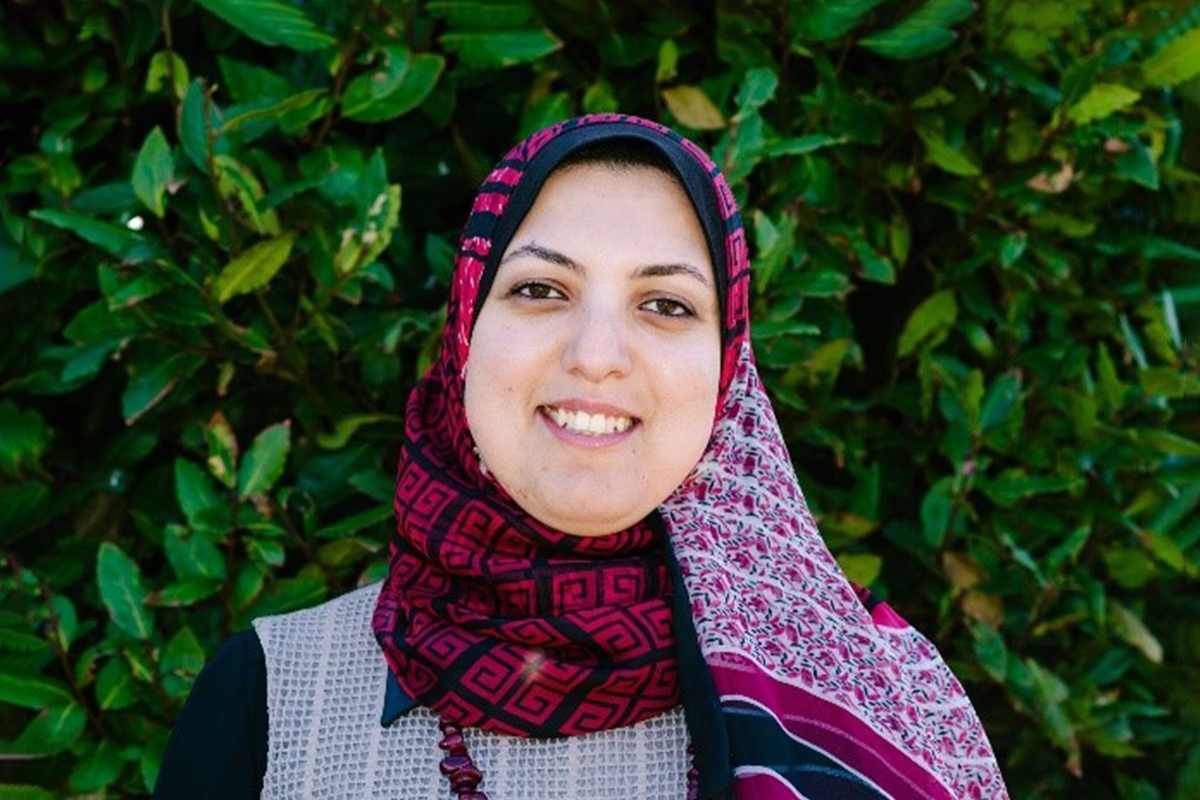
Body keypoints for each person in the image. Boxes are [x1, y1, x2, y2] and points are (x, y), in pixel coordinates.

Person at [154, 115, 1008, 799]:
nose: (597, 355)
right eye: (540, 289)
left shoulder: (882, 712)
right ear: (464, 335)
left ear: (728, 373)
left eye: (666, 304)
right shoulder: (269, 696)